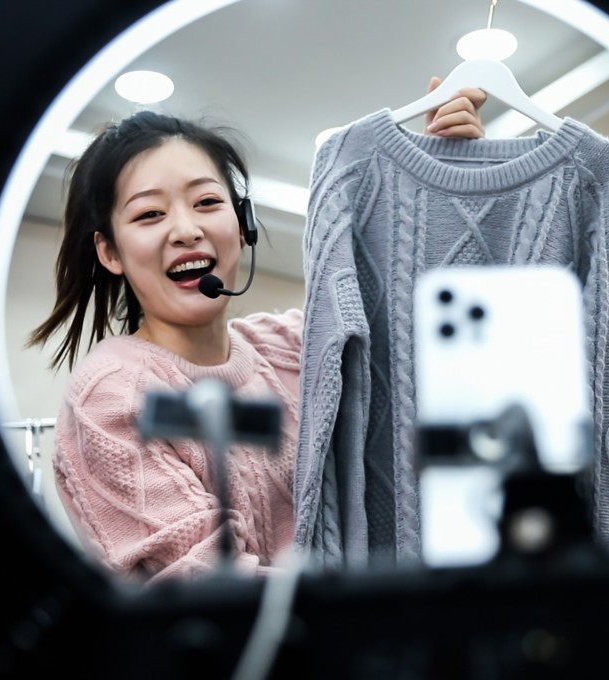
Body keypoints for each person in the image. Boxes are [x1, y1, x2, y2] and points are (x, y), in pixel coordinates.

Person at [27, 82, 488, 584]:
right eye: (150, 214)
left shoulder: (294, 345)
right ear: (110, 252)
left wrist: (448, 178)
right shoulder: (111, 392)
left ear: (241, 221)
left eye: (206, 202)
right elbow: (207, 581)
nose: (186, 229)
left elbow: (420, 335)